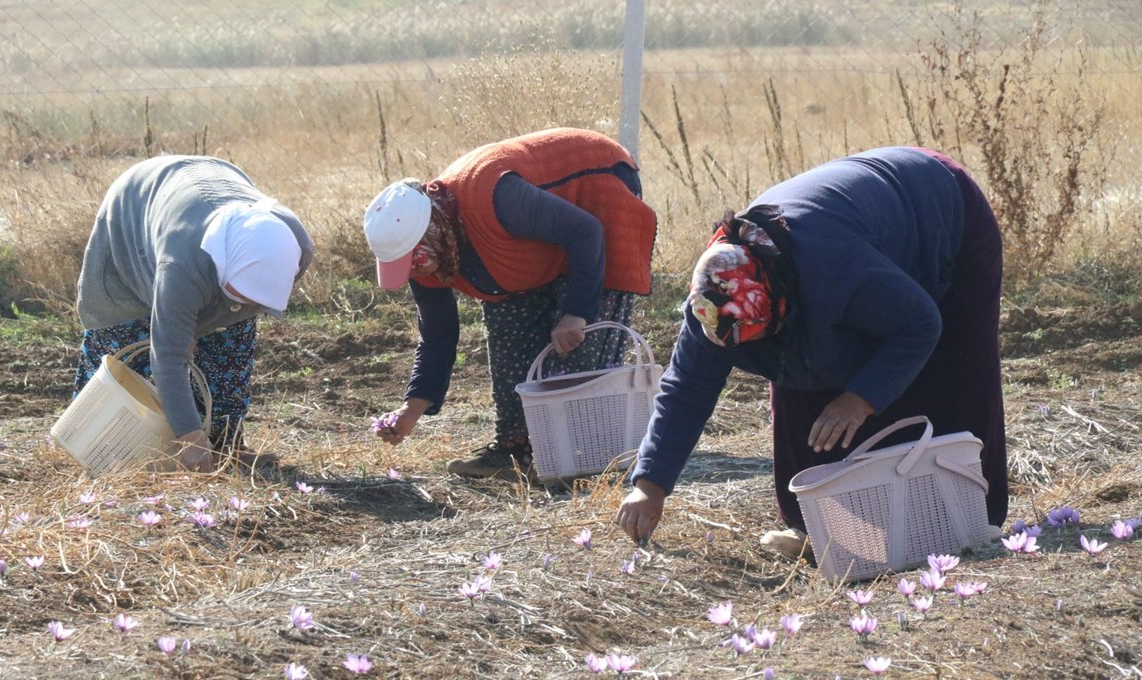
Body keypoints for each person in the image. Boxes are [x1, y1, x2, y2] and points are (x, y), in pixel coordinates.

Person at [615, 147, 1007, 558]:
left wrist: (860, 399)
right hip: (860, 245)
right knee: (800, 376)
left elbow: (920, 324)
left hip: (942, 212)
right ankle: (819, 528)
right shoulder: (715, 302)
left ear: (779, 303)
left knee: (947, 372)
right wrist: (650, 486)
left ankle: (973, 517)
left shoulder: (833, 270)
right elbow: (686, 390)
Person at [364, 128, 657, 479]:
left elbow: (585, 231)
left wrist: (577, 311)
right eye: (405, 264)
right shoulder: (429, 255)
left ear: (430, 229)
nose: (417, 269)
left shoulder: (493, 196)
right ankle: (514, 451)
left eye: (415, 258)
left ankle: (584, 459)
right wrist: (411, 410)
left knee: (578, 348)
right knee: (508, 335)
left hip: (597, 185)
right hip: (535, 237)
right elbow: (438, 336)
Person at [74, 155, 314, 472]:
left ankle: (224, 446)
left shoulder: (294, 247)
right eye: (242, 294)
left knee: (229, 350)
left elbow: (251, 296)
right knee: (122, 351)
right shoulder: (182, 267)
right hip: (134, 219)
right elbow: (168, 359)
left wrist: (202, 326)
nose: (249, 306)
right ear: (225, 269)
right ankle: (101, 455)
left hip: (211, 191)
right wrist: (190, 439)